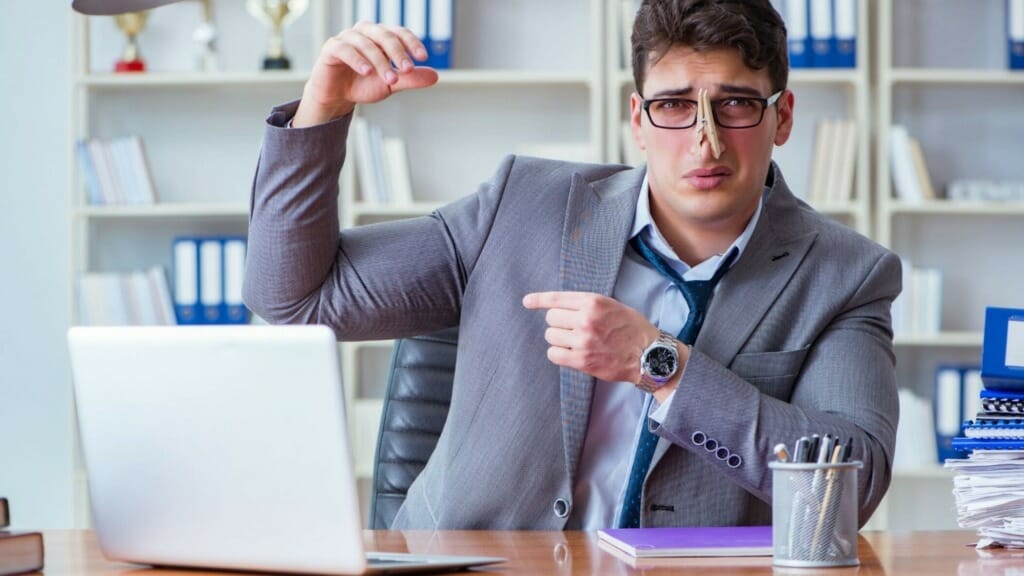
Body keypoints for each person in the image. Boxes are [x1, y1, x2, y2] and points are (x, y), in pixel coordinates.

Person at [244, 0, 899, 530]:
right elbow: (298, 298)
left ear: (781, 117)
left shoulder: (846, 274)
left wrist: (662, 366)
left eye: (736, 104)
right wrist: (323, 109)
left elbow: (854, 481)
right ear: (637, 121)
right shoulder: (522, 205)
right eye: (673, 105)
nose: (706, 139)